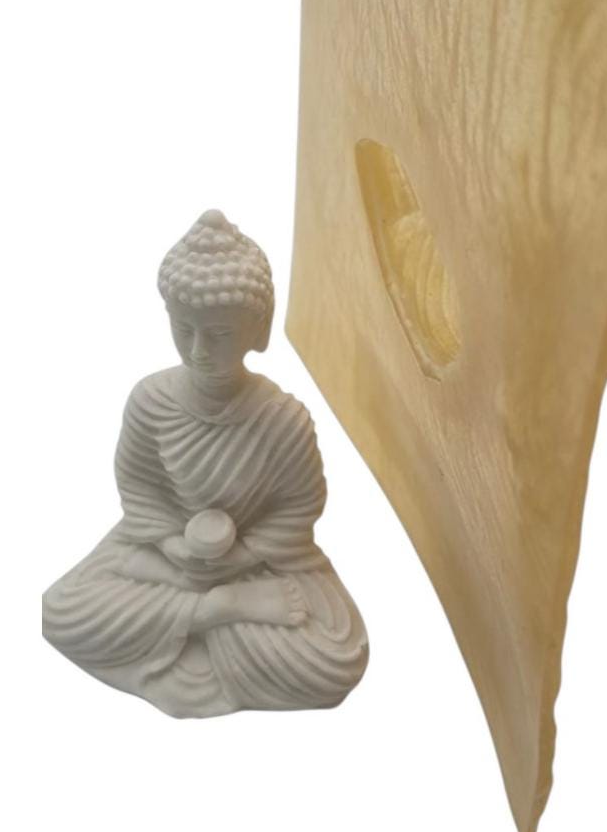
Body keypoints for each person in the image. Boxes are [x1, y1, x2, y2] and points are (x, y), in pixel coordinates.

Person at [42, 210, 368, 715]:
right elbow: (140, 489)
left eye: (218, 334)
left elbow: (299, 507)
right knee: (60, 611)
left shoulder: (282, 419)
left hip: (255, 564)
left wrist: (242, 557)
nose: (198, 350)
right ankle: (213, 612)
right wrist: (172, 546)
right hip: (164, 555)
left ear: (257, 328)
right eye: (183, 329)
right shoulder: (151, 401)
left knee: (337, 658)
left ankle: (192, 617)